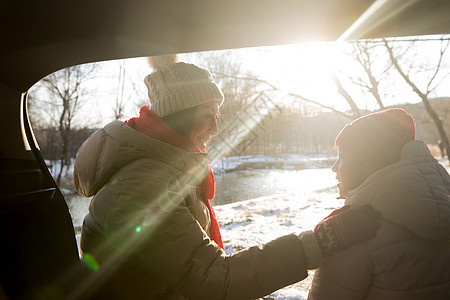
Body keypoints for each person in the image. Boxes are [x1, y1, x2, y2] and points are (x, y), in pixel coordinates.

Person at [74, 55, 380, 299]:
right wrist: (318, 244)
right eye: (208, 115)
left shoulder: (162, 169)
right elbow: (214, 279)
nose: (215, 129)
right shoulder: (142, 184)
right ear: (179, 114)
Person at [309, 108, 450, 299]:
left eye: (342, 157)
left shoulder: (351, 232)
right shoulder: (442, 216)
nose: (334, 168)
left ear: (367, 163)